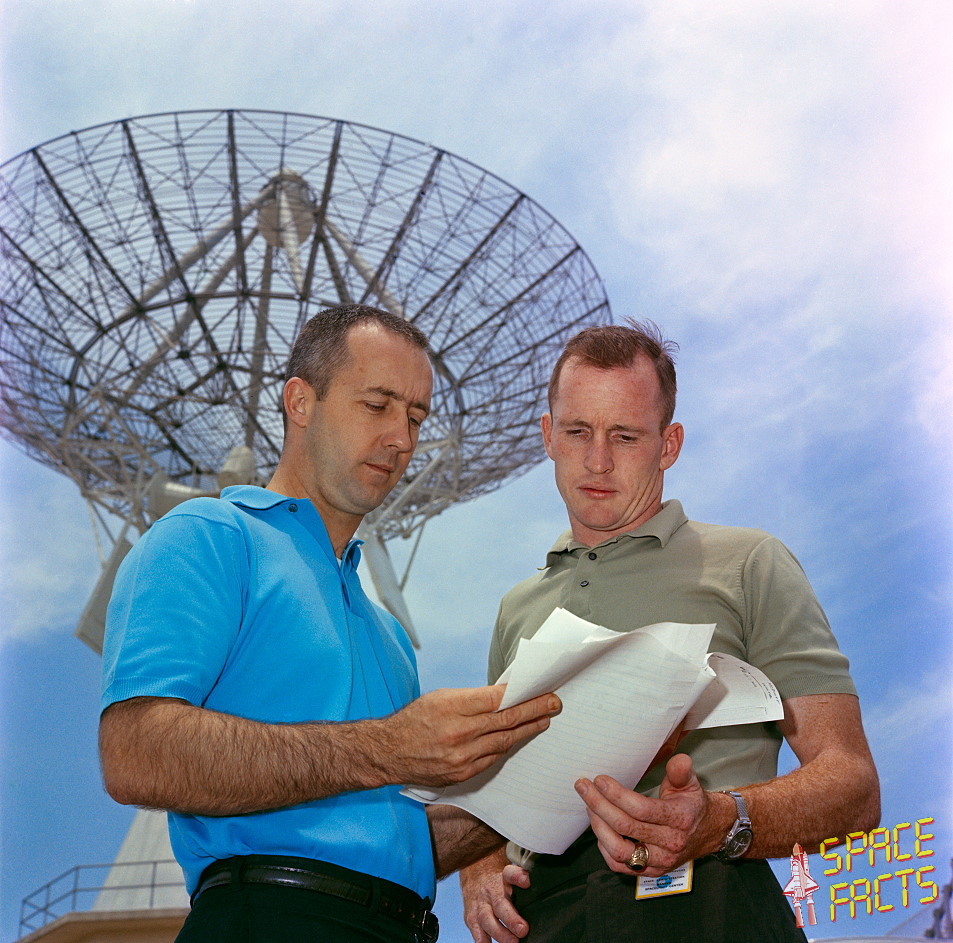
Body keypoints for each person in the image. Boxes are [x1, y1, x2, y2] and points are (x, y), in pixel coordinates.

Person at [99, 303, 561, 943]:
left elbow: (391, 842)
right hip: (269, 919)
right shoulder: (207, 537)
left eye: (416, 417)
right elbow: (134, 753)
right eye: (377, 405)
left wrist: (553, 783)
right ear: (300, 402)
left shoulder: (389, 639)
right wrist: (390, 747)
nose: (402, 438)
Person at [460, 321, 880, 943]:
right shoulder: (516, 609)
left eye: (625, 436)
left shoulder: (749, 563)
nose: (598, 460)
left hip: (705, 901)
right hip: (542, 918)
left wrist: (719, 822)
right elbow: (494, 790)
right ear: (548, 435)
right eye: (578, 431)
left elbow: (853, 786)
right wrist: (479, 866)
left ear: (669, 444)